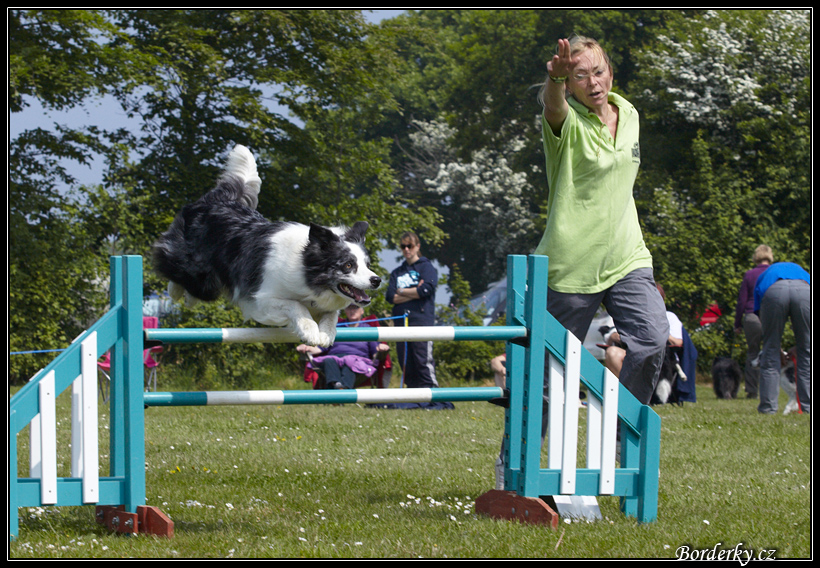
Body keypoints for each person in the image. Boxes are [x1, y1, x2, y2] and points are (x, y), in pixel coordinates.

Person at [536, 34, 669, 405]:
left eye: (598, 71)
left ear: (610, 71)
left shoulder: (629, 114)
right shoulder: (566, 120)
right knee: (547, 374)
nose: (593, 83)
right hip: (572, 265)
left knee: (652, 338)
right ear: (569, 83)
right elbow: (552, 106)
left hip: (628, 256)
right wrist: (555, 81)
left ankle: (620, 437)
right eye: (580, 76)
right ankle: (515, 459)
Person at [753, 262, 810, 414]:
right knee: (807, 352)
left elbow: (760, 317)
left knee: (770, 352)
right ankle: (808, 408)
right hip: (805, 291)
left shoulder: (764, 276)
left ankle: (768, 408)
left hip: (774, 292)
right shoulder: (804, 274)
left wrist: (776, 348)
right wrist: (799, 347)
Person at [385, 231, 439, 389]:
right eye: (403, 246)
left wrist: (401, 291)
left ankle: (431, 391)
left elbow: (426, 290)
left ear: (417, 247)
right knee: (405, 359)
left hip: (421, 320)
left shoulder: (426, 267)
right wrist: (414, 291)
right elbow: (390, 296)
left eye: (410, 246)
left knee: (422, 358)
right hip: (401, 321)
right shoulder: (397, 272)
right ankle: (414, 394)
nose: (407, 249)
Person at [297, 304, 390, 390]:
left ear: (362, 311)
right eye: (349, 308)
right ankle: (337, 387)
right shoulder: (336, 327)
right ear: (345, 311)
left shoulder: (368, 329)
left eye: (355, 308)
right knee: (328, 361)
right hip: (335, 358)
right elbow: (322, 348)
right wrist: (306, 347)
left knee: (350, 363)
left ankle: (342, 392)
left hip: (357, 360)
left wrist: (382, 348)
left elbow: (375, 353)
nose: (352, 311)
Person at [734, 245, 773, 398]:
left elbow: (742, 301)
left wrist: (737, 324)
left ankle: (751, 391)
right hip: (770, 315)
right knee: (771, 351)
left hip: (751, 316)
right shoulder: (773, 272)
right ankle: (769, 389)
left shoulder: (749, 274)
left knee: (753, 353)